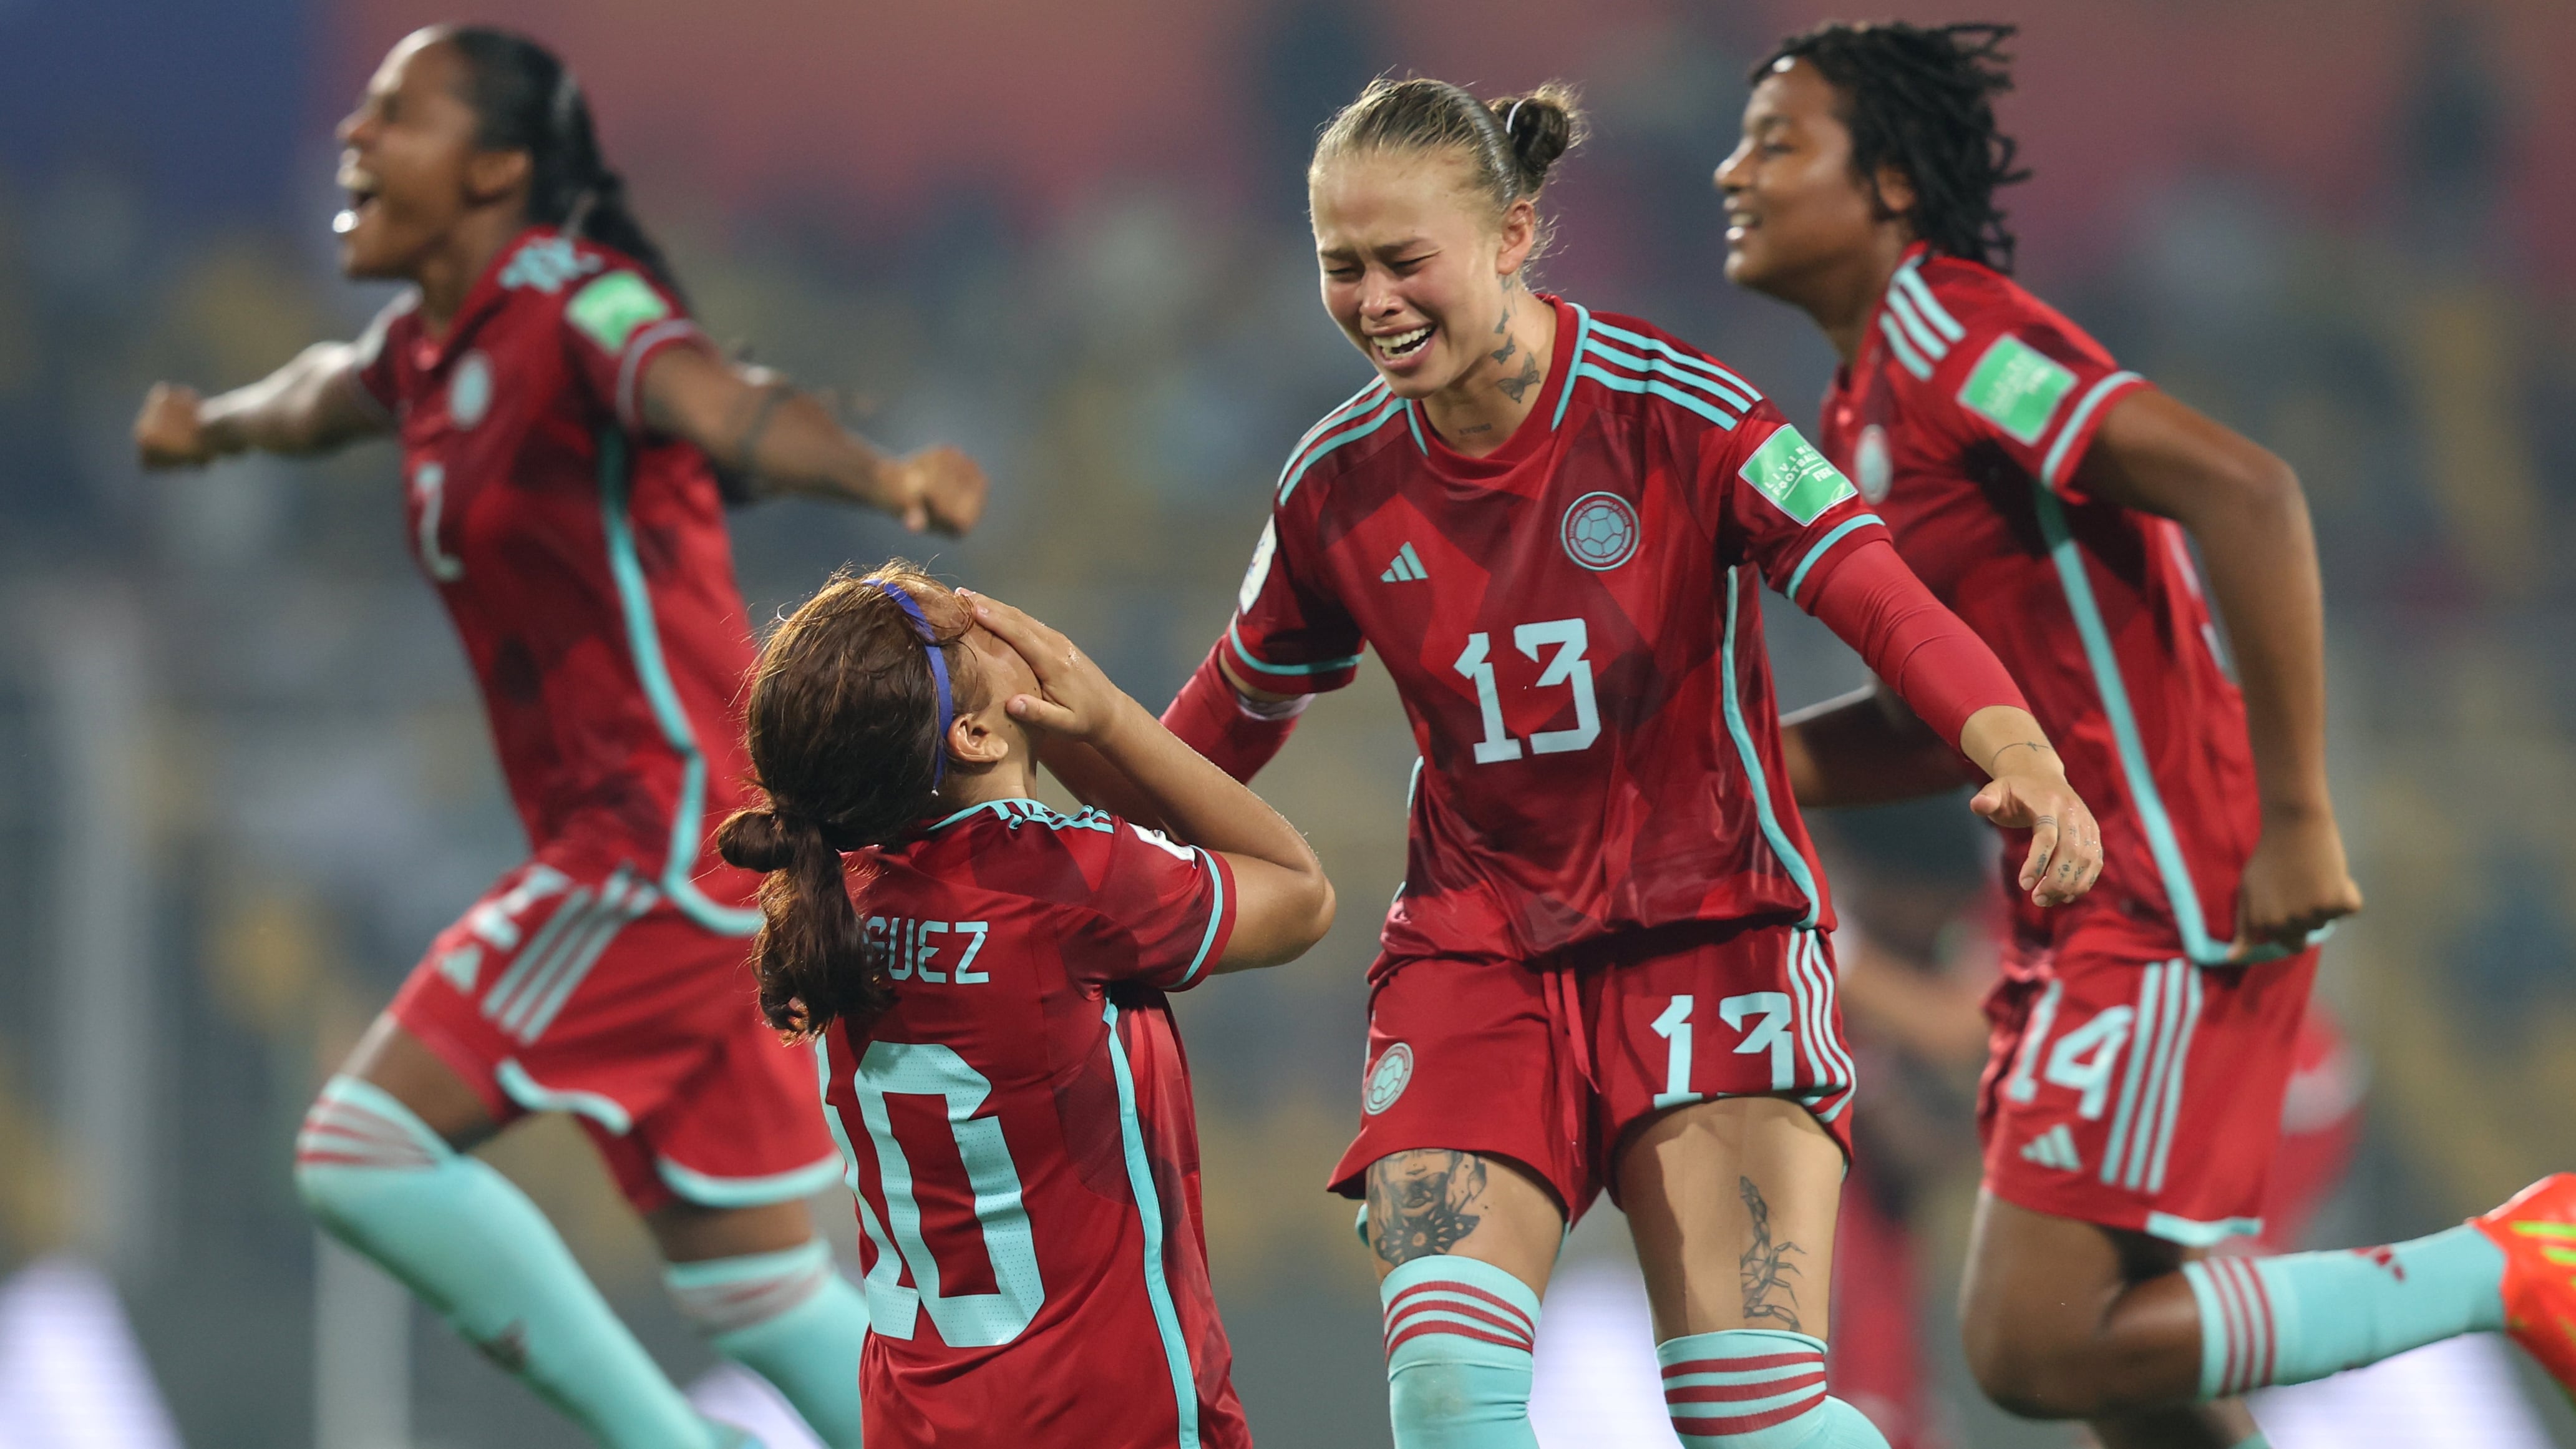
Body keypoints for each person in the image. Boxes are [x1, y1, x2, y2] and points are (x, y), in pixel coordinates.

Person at [1117, 76, 2109, 1449]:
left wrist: (2020, 753)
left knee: (1749, 1428)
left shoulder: (1677, 413)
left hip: (1711, 945)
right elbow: (1226, 720)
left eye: (1407, 261)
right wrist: (1061, 864)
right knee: (1449, 1413)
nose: (1373, 301)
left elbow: (1881, 597)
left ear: (1514, 235)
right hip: (1476, 963)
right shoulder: (1332, 484)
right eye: (1340, 268)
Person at [1714, 21, 2576, 1449]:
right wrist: (1741, 753)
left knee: (2032, 1342)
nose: (1734, 172)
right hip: (2078, 901)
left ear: (1890, 188)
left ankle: (2508, 1258)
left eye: (1779, 143)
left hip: (2162, 886)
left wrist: (2298, 813)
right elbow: (1969, 719)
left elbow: (2243, 491)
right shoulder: (1863, 406)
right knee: (2137, 1386)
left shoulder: (1959, 342)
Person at [132, 27, 986, 1449]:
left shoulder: (575, 301)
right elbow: (321, 395)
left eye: (394, 113)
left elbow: (715, 403)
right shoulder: (426, 350)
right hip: (714, 856)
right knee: (765, 1295)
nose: (354, 137)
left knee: (361, 1157)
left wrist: (881, 471)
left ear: (497, 167)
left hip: (663, 840)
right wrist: (212, 427)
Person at [711, 565, 1335, 1448]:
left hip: (917, 1418)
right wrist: (1109, 719)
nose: (999, 626)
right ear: (970, 731)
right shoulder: (1061, 879)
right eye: (971, 634)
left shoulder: (837, 891)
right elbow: (1302, 896)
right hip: (1109, 1416)